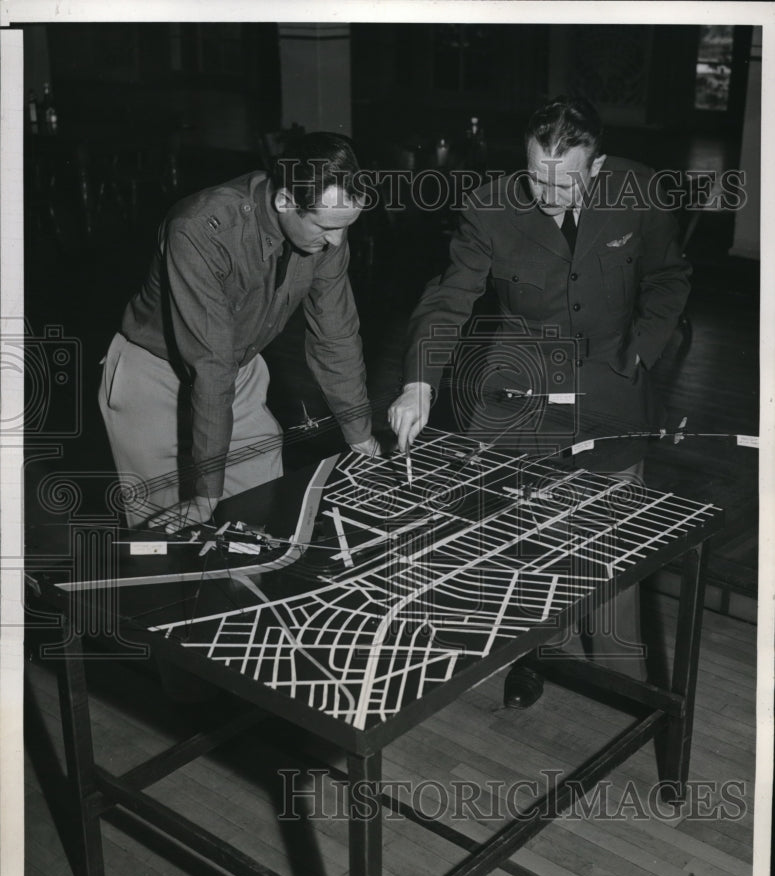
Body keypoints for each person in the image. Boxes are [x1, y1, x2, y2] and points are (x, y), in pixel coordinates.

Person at [388, 95, 691, 709]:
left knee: (613, 547)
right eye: (535, 177)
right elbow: (449, 301)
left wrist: (642, 350)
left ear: (597, 166)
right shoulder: (488, 208)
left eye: (564, 182)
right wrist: (420, 380)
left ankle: (623, 683)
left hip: (611, 387)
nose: (547, 194)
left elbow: (668, 276)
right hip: (520, 391)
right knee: (524, 542)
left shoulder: (637, 188)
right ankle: (530, 657)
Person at [99, 131, 378, 533]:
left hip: (237, 373)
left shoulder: (329, 220)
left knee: (261, 521)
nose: (337, 241)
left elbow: (335, 336)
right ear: (285, 200)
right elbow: (211, 363)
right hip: (154, 381)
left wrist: (360, 435)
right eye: (325, 227)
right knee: (164, 543)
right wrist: (206, 494)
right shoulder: (199, 228)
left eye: (345, 226)